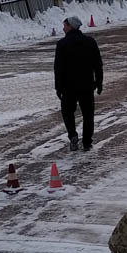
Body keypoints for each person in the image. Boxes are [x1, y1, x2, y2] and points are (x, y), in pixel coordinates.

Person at [53, 15, 103, 151]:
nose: (63, 28)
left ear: (70, 26)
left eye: (65, 25)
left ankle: (73, 135)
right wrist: (99, 82)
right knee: (88, 115)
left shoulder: (62, 44)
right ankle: (87, 141)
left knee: (67, 112)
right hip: (87, 86)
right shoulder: (90, 42)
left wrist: (58, 87)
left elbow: (58, 68)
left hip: (68, 87)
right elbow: (98, 64)